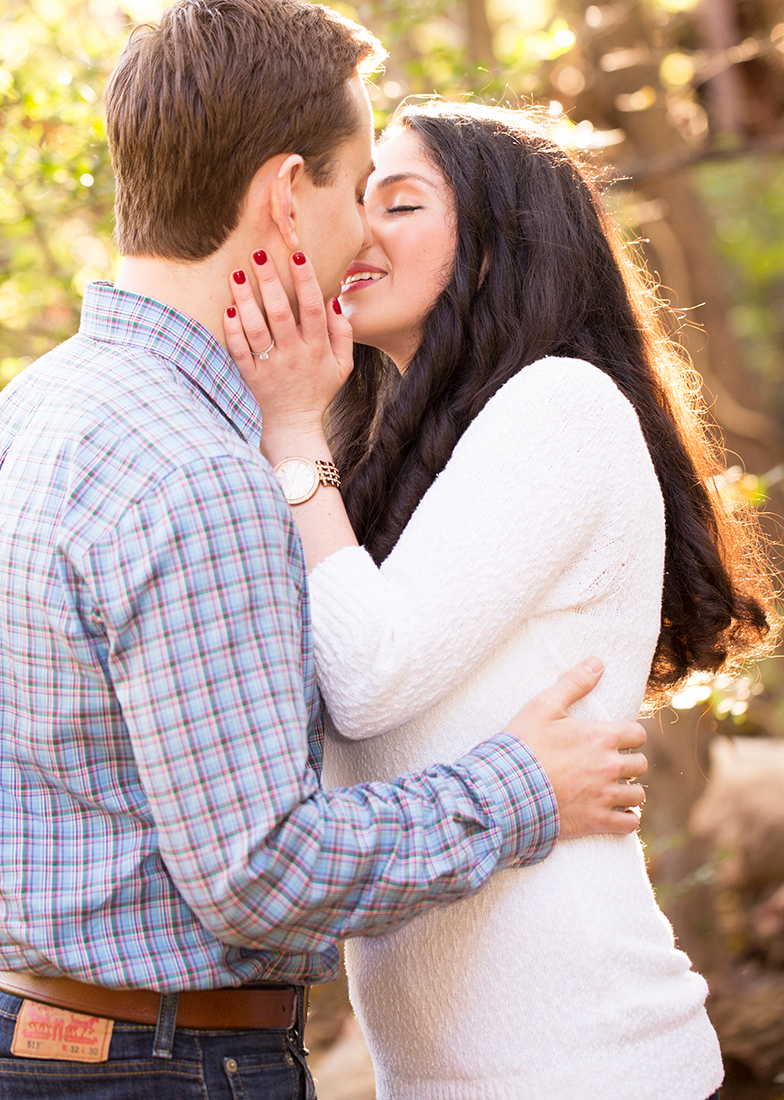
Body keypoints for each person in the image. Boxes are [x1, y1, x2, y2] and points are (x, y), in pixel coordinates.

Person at [0, 0, 649, 1100]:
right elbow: (263, 875)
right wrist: (520, 790)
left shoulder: (40, 406)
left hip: (32, 1037)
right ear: (285, 194)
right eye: (358, 190)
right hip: (161, 1063)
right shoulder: (201, 472)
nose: (362, 231)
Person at [222, 98, 772, 1100]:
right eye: (356, 200)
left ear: (495, 245)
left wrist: (291, 434)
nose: (358, 229)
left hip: (586, 1064)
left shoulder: (559, 409)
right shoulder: (396, 464)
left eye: (401, 203)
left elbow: (368, 679)